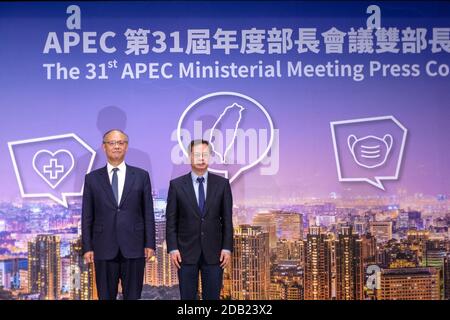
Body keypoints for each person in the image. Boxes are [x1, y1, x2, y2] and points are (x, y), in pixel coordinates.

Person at [82, 129, 155, 300]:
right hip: (103, 247)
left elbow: (148, 212)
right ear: (104, 147)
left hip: (135, 247)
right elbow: (87, 215)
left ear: (126, 147)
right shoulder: (92, 178)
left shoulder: (141, 176)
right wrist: (87, 247)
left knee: (133, 296)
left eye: (120, 143)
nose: (116, 146)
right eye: (112, 143)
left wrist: (150, 244)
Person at [166, 139, 233, 300]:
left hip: (215, 253)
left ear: (210, 157)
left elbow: (227, 220)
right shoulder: (176, 185)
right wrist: (173, 248)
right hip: (185, 253)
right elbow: (171, 221)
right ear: (190, 157)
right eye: (197, 155)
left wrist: (227, 248)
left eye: (205, 154)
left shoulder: (222, 184)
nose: (201, 158)